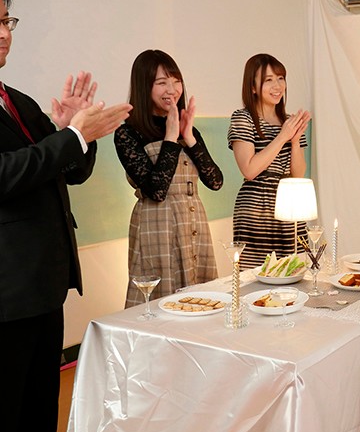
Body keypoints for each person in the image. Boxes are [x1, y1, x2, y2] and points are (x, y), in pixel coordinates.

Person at [0, 0, 132, 432]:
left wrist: (72, 132)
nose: (4, 34)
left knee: (39, 420)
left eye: (7, 21)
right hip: (7, 295)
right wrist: (72, 135)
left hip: (44, 286)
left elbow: (68, 170)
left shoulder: (19, 101)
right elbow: (6, 174)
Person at [115, 50, 223, 308]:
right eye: (162, 82)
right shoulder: (128, 133)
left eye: (176, 81)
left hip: (193, 222)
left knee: (200, 300)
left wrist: (189, 137)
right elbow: (157, 190)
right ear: (144, 86)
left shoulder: (188, 129)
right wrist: (171, 138)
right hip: (156, 226)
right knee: (159, 304)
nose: (172, 89)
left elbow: (215, 182)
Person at [228, 53, 311, 268]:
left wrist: (294, 140)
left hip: (290, 203)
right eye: (268, 80)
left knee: (293, 270)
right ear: (253, 87)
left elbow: (298, 175)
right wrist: (283, 136)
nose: (277, 86)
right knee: (257, 275)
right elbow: (249, 170)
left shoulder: (289, 121)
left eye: (281, 78)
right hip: (256, 208)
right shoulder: (243, 118)